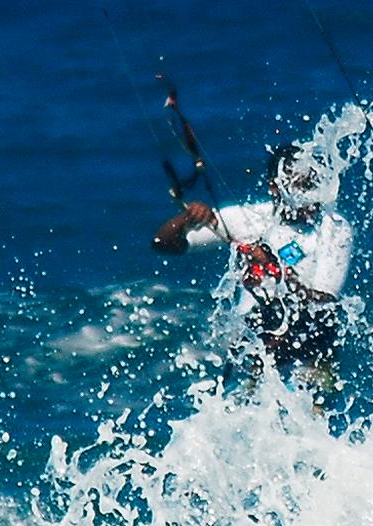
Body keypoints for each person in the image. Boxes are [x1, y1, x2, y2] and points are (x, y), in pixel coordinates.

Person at [151, 142, 354, 393]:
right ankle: (251, 388)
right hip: (257, 334)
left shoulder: (334, 228)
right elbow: (163, 244)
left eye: (311, 186)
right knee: (260, 323)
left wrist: (278, 271)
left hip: (309, 334)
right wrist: (187, 217)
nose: (307, 197)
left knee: (323, 320)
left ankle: (316, 400)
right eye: (299, 187)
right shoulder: (251, 219)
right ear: (275, 187)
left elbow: (324, 301)